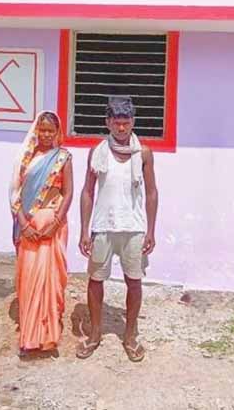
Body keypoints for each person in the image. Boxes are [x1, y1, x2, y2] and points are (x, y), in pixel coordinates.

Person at [76, 96, 159, 362]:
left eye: (126, 122)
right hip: (103, 226)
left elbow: (152, 192)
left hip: (133, 228)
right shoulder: (97, 152)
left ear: (133, 122)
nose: (121, 128)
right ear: (108, 122)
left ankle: (130, 335)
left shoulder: (143, 153)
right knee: (95, 280)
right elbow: (88, 192)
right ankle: (95, 334)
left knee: (134, 281)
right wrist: (84, 230)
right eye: (116, 122)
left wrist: (151, 230)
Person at [9, 110, 73, 356]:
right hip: (29, 229)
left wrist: (55, 223)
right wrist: (24, 225)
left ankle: (49, 336)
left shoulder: (63, 158)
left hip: (52, 228)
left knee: (51, 279)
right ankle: (29, 337)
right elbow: (15, 195)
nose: (46, 134)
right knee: (30, 279)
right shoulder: (26, 159)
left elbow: (68, 192)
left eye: (50, 131)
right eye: (42, 130)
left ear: (57, 132)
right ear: (36, 131)